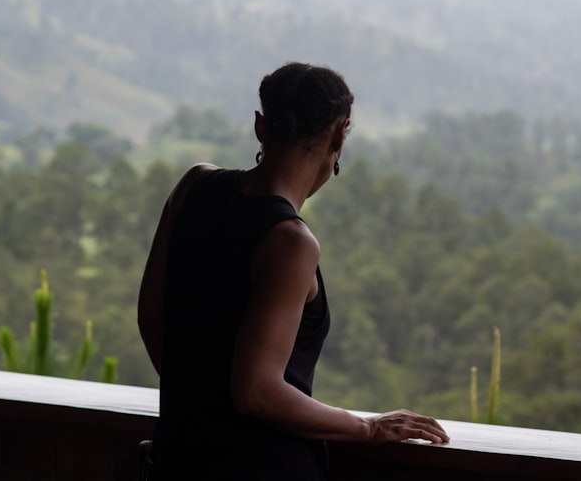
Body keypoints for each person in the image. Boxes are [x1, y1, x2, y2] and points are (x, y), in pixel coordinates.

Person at [137, 62, 448, 480]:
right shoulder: (290, 243)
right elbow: (256, 392)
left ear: (261, 126)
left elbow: (151, 319)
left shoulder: (193, 187)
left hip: (177, 457)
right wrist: (367, 426)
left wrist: (199, 405)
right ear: (339, 134)